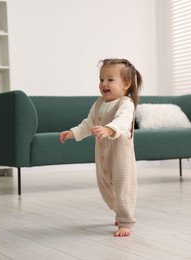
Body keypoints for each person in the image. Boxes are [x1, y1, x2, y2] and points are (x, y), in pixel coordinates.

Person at [60, 58, 143, 237]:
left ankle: (126, 221)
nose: (104, 84)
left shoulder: (125, 104)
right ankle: (118, 211)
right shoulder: (98, 103)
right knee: (105, 188)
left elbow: (122, 121)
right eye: (101, 79)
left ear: (126, 84)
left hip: (121, 158)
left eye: (110, 80)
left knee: (123, 188)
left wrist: (107, 129)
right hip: (103, 157)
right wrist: (73, 133)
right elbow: (88, 123)